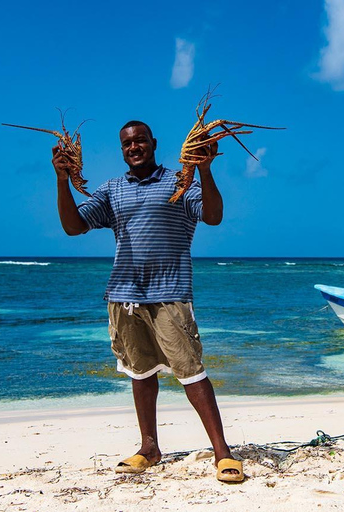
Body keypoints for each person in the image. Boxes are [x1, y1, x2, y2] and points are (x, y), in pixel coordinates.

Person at [52, 120, 243, 482]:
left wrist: (204, 169)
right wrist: (62, 180)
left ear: (154, 143)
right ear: (121, 149)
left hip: (170, 293)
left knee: (191, 372)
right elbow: (74, 226)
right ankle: (149, 447)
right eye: (127, 144)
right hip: (124, 295)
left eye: (140, 141)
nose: (134, 147)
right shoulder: (112, 190)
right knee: (140, 374)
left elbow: (214, 216)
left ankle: (223, 452)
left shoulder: (179, 182)